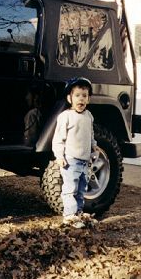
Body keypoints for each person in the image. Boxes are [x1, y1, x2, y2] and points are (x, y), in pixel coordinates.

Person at [52, 77, 98, 228]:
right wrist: (59, 156)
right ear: (69, 98)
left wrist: (94, 146)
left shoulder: (89, 116)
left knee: (81, 189)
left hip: (84, 160)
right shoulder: (65, 116)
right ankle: (69, 216)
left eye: (84, 96)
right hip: (70, 160)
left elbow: (90, 134)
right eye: (77, 95)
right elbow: (58, 138)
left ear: (88, 99)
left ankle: (78, 214)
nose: (81, 99)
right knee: (70, 188)